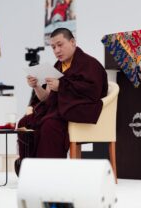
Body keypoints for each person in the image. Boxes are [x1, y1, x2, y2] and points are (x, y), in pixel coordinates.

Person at [15, 28, 108, 175]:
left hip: (75, 110)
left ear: (72, 42)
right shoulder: (58, 66)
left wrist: (62, 86)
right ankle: (28, 170)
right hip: (55, 110)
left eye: (60, 45)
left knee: (49, 125)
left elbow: (93, 91)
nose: (57, 50)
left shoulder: (90, 64)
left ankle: (49, 173)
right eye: (53, 47)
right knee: (24, 123)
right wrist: (36, 86)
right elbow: (46, 98)